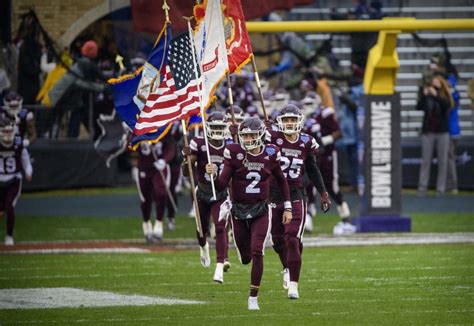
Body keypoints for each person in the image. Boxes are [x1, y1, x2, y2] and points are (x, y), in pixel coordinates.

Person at [206, 117, 292, 310]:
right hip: (238, 209)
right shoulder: (234, 152)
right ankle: (244, 256)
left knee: (257, 250)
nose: (248, 139)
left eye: (252, 135)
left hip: (261, 208)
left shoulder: (271, 153)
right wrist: (213, 175)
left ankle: (253, 297)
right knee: (246, 258)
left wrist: (287, 207)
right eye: (245, 136)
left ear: (261, 134)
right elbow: (221, 184)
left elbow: (282, 180)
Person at [266, 104, 331, 300]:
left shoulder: (306, 141)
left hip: (295, 194)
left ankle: (294, 285)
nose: (289, 123)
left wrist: (323, 192)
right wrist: (240, 134)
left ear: (299, 121)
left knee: (292, 238)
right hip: (273, 194)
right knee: (277, 241)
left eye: (293, 120)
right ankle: (287, 267)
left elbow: (312, 168)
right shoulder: (271, 137)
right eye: (286, 120)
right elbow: (248, 148)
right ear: (280, 122)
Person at [182, 111, 232, 283]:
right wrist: (186, 160)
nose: (218, 130)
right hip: (203, 192)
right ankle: (203, 247)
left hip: (221, 193)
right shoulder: (199, 142)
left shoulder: (230, 145)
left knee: (220, 227)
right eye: (215, 127)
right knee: (201, 230)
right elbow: (185, 172)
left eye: (220, 127)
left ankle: (219, 266)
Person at [306, 102, 355, 235]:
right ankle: (308, 217)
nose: (307, 105)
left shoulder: (325, 113)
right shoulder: (302, 117)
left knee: (331, 186)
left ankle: (346, 218)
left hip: (327, 154)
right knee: (308, 185)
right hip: (311, 156)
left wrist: (324, 141)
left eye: (309, 102)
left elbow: (338, 132)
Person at [130, 134, 177, 243]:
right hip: (143, 167)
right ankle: (146, 223)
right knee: (145, 199)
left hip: (159, 167)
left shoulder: (163, 128)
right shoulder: (138, 128)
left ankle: (159, 223)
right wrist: (133, 165)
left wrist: (164, 160)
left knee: (161, 193)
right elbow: (130, 148)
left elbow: (171, 147)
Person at [417, 76, 453, 196]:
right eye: (433, 83)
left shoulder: (445, 96)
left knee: (443, 161)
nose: (434, 84)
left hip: (442, 133)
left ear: (441, 84)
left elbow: (446, 106)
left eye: (437, 83)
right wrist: (423, 95)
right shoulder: (428, 97)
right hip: (428, 132)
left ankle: (441, 189)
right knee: (426, 161)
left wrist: (436, 95)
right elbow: (418, 107)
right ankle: (422, 188)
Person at [0, 116, 32, 245]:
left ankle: (9, 236)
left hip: (14, 179)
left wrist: (29, 172)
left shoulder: (19, 144)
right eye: (5, 131)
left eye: (9, 131)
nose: (7, 134)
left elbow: (26, 161)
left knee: (10, 206)